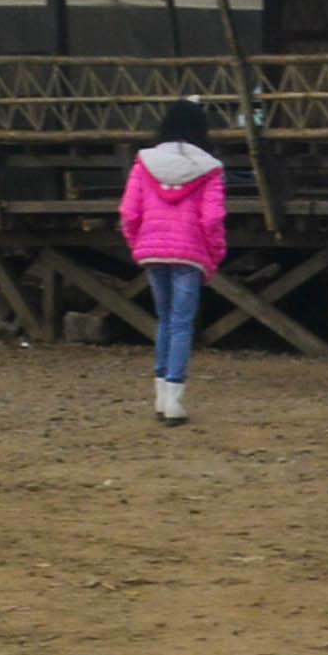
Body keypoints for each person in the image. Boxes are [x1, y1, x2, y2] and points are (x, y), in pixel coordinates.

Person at [118, 99, 228, 426]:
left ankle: (160, 395)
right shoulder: (211, 169)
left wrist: (137, 243)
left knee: (164, 319)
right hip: (191, 252)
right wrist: (215, 255)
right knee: (182, 322)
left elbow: (129, 212)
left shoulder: (143, 163)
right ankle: (174, 400)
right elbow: (212, 219)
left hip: (152, 248)